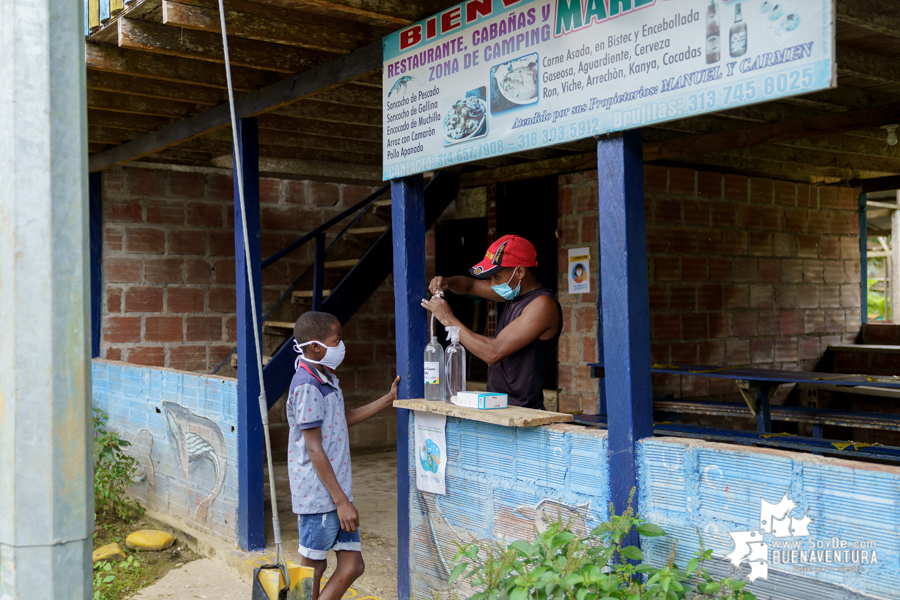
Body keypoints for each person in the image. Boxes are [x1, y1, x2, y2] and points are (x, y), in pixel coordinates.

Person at [286, 311, 400, 600]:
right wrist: (341, 502)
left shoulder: (324, 376)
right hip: (319, 496)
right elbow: (313, 447)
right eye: (337, 339)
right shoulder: (307, 386)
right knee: (312, 567)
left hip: (337, 493)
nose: (341, 344)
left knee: (352, 565)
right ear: (315, 346)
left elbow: (340, 418)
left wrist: (387, 400)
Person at [421, 234, 562, 410]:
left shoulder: (542, 305)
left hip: (523, 410)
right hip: (498, 405)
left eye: (497, 277)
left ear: (519, 272)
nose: (493, 284)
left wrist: (447, 319)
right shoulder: (512, 291)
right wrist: (447, 282)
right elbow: (470, 285)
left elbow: (492, 353)